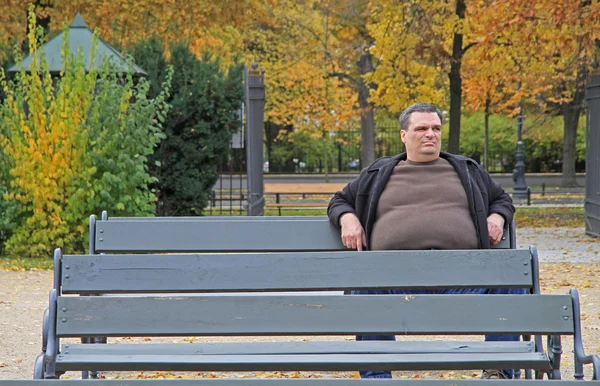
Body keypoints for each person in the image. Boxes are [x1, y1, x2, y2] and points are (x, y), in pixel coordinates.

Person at [327, 102, 523, 380]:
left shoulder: (466, 170)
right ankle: (377, 379)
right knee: (365, 285)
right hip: (392, 284)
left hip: (462, 283)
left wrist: (498, 217)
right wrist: (347, 218)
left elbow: (502, 199)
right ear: (404, 135)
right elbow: (339, 200)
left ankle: (498, 372)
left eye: (436, 128)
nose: (430, 134)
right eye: (421, 128)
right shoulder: (379, 173)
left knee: (510, 276)